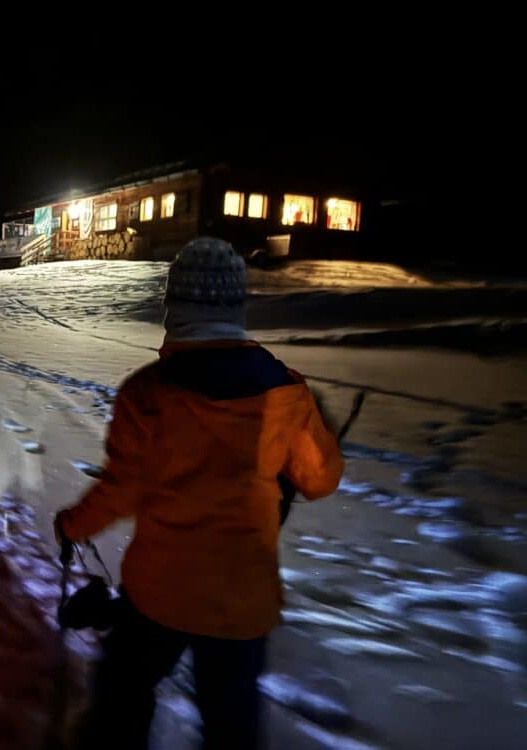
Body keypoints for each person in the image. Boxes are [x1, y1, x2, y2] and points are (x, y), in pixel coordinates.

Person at [55, 236, 344, 749]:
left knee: (121, 700)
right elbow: (319, 480)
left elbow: (123, 489)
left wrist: (73, 524)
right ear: (236, 307)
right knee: (231, 728)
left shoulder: (147, 393)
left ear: (176, 308)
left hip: (160, 597)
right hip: (242, 603)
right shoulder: (287, 391)